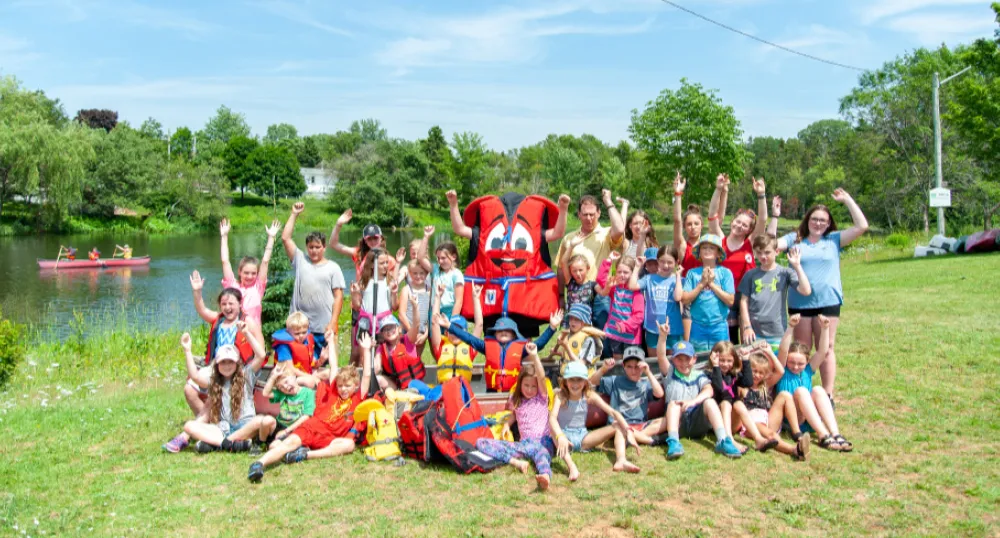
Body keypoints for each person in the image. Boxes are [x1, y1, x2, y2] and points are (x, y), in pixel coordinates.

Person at [769, 189, 869, 399]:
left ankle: (827, 394)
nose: (818, 223)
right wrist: (775, 216)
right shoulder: (795, 239)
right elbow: (770, 245)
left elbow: (862, 226)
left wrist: (848, 200)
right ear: (808, 220)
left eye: (823, 220)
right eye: (814, 219)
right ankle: (802, 388)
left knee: (827, 347)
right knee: (803, 349)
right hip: (800, 302)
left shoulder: (834, 239)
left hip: (828, 301)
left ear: (829, 223)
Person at [162, 271, 267, 453]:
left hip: (240, 367)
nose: (227, 307)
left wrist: (250, 365)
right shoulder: (218, 320)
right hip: (217, 366)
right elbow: (201, 309)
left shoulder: (247, 322)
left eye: (231, 304)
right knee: (190, 388)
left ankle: (195, 434)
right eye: (224, 304)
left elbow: (260, 351)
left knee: (213, 397)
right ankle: (212, 424)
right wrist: (197, 292)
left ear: (239, 304)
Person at [248, 331, 375, 482]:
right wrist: (330, 342)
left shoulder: (358, 397)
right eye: (341, 385)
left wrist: (366, 350)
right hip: (314, 426)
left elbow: (367, 375)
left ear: (355, 386)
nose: (343, 389)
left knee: (348, 445)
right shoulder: (334, 391)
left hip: (331, 437)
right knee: (288, 443)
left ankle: (304, 455)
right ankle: (258, 464)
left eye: (347, 386)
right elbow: (333, 365)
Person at [475, 343, 556, 490]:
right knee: (481, 443)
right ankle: (516, 462)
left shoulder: (541, 398)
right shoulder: (516, 401)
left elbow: (542, 377)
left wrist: (534, 355)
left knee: (541, 455)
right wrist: (507, 424)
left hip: (543, 441)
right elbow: (514, 414)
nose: (530, 390)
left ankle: (545, 475)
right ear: (520, 384)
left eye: (533, 386)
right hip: (525, 444)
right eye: (526, 385)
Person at [179, 329, 269, 454]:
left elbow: (261, 356)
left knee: (260, 420)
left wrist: (247, 333)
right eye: (223, 362)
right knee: (189, 426)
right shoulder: (214, 381)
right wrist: (187, 350)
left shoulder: (245, 376)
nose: (227, 365)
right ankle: (229, 444)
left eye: (230, 361)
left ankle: (216, 444)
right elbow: (194, 376)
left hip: (245, 426)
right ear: (217, 364)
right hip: (223, 428)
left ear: (237, 363)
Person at [655, 333, 744, 459]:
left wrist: (692, 402)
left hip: (697, 421)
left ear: (694, 359)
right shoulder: (670, 373)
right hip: (678, 422)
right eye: (679, 359)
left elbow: (709, 390)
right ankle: (674, 442)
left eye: (687, 358)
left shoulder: (699, 375)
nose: (684, 363)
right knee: (673, 404)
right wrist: (663, 336)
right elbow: (661, 356)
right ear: (673, 360)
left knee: (709, 401)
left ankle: (723, 440)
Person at [435, 309, 559, 394]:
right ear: (494, 333)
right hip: (492, 392)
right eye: (499, 330)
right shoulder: (487, 346)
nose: (503, 332)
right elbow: (469, 338)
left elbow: (539, 344)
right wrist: (450, 326)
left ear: (514, 335)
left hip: (513, 392)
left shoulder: (521, 349)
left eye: (507, 330)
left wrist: (552, 328)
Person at [553, 189, 627, 332]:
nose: (589, 218)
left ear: (599, 213)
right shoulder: (569, 239)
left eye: (592, 214)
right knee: (577, 338)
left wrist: (608, 201)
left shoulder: (606, 233)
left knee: (602, 335)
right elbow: (561, 269)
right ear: (579, 215)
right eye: (585, 214)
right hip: (577, 296)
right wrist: (561, 296)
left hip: (601, 294)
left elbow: (619, 228)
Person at [776, 314, 852, 451]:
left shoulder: (808, 370)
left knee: (818, 390)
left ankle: (835, 433)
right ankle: (823, 435)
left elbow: (822, 352)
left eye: (800, 363)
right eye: (792, 362)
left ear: (807, 361)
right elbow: (783, 350)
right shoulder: (782, 369)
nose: (795, 366)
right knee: (802, 391)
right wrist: (791, 327)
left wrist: (825, 328)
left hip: (809, 418)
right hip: (792, 419)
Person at [281, 201, 346, 360]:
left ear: (324, 247)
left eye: (317, 247)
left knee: (324, 363)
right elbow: (285, 238)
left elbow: (338, 297)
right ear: (306, 247)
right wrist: (294, 214)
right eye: (311, 247)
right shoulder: (300, 260)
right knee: (300, 363)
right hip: (299, 327)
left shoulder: (333, 267)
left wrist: (333, 322)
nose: (314, 250)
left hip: (322, 327)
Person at [547, 361, 633, 481]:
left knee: (617, 425)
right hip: (564, 438)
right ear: (565, 381)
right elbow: (552, 418)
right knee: (552, 430)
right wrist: (560, 436)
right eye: (572, 380)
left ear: (585, 382)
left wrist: (628, 430)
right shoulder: (561, 396)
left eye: (579, 380)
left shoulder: (588, 394)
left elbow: (613, 412)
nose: (575, 384)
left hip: (583, 437)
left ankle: (621, 460)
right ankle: (572, 467)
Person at [708, 174, 768, 343]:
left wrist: (761, 195)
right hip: (724, 294)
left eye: (745, 225)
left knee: (748, 337)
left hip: (746, 295)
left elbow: (762, 220)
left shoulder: (750, 243)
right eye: (737, 221)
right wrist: (718, 189)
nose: (739, 226)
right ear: (732, 220)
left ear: (750, 229)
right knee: (729, 338)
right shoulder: (720, 240)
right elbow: (712, 216)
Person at [587, 347, 663, 472]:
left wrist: (648, 373)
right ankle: (622, 459)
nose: (633, 370)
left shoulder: (645, 384)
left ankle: (635, 435)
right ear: (623, 366)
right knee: (620, 427)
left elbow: (659, 394)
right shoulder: (615, 381)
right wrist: (604, 368)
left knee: (663, 421)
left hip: (640, 425)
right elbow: (592, 381)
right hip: (620, 425)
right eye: (629, 366)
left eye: (637, 367)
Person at [732, 343, 810, 461]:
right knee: (771, 436)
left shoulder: (764, 386)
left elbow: (780, 372)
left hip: (767, 420)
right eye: (754, 371)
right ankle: (795, 450)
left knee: (785, 395)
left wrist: (769, 352)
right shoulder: (742, 387)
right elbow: (736, 371)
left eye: (761, 373)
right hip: (751, 423)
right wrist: (743, 358)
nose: (757, 375)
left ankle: (797, 434)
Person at [739, 235, 811, 352]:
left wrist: (797, 266)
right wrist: (747, 326)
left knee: (777, 366)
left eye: (767, 252)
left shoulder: (785, 272)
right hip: (754, 331)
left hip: (777, 331)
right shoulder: (750, 275)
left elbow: (806, 290)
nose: (763, 256)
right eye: (759, 253)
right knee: (756, 367)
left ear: (777, 252)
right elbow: (743, 300)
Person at [219, 218, 280, 325]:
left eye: (253, 273)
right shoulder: (232, 286)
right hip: (235, 333)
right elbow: (225, 261)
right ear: (239, 272)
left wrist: (271, 237)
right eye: (246, 273)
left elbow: (265, 262)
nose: (250, 276)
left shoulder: (258, 286)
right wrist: (224, 236)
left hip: (254, 333)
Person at [681, 235, 735, 352]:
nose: (707, 250)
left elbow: (730, 300)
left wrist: (711, 284)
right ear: (699, 252)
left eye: (711, 248)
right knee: (698, 359)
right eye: (704, 248)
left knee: (722, 357)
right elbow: (685, 299)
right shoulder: (692, 273)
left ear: (718, 253)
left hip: (719, 326)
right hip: (697, 325)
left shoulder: (725, 273)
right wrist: (701, 284)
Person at [629, 246, 684, 356]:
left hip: (673, 329)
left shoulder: (679, 280)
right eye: (662, 262)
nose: (666, 265)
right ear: (658, 261)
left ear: (676, 262)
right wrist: (637, 267)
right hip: (653, 328)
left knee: (672, 362)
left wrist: (678, 276)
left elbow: (678, 297)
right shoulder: (649, 278)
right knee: (654, 361)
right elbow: (632, 285)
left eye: (670, 262)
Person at [707, 341, 756, 454]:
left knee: (738, 403)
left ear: (734, 360)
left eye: (729, 361)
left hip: (732, 419)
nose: (725, 364)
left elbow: (748, 383)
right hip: (717, 422)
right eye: (721, 360)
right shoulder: (710, 373)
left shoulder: (733, 374)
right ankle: (729, 439)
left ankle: (758, 438)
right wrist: (715, 366)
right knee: (726, 403)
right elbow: (719, 388)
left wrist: (745, 360)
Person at [255, 365, 317, 453]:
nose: (286, 387)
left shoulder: (308, 393)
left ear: (295, 377)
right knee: (266, 420)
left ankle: (294, 448)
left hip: (295, 428)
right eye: (281, 387)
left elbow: (306, 416)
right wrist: (273, 377)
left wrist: (286, 431)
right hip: (280, 425)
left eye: (287, 382)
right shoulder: (283, 393)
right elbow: (265, 393)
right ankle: (261, 443)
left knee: (274, 447)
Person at [430, 281, 482, 385]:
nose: (455, 333)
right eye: (452, 330)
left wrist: (476, 299)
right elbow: (434, 322)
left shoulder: (470, 347)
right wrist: (437, 297)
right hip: (444, 388)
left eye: (459, 330)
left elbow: (479, 324)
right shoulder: (441, 345)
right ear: (446, 332)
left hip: (462, 389)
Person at [596, 253, 645, 360]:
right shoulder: (614, 287)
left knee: (632, 361)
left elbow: (639, 316)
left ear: (632, 273)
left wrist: (625, 326)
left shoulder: (636, 292)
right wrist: (609, 261)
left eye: (626, 272)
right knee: (617, 360)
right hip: (615, 333)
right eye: (619, 272)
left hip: (631, 337)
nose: (622, 275)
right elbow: (601, 279)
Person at [330, 208, 388, 277]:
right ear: (365, 241)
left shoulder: (388, 258)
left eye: (375, 238)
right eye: (369, 239)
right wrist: (338, 224)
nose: (373, 241)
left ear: (381, 238)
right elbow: (333, 244)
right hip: (361, 287)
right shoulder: (358, 254)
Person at [374, 312, 425, 390]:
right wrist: (367, 349)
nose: (389, 331)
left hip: (414, 385)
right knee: (378, 379)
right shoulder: (381, 349)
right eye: (385, 329)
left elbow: (416, 326)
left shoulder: (407, 340)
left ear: (399, 328)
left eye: (392, 327)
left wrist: (415, 307)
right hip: (396, 386)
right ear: (382, 334)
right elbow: (376, 368)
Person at [551, 303, 604, 375]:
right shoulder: (569, 335)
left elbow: (581, 364)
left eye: (576, 320)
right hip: (566, 376)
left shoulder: (589, 340)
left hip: (581, 380)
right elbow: (572, 354)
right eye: (571, 318)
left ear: (584, 323)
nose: (572, 322)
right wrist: (557, 353)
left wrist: (566, 346)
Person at [271, 311, 322, 383]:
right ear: (288, 331)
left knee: (326, 374)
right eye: (297, 333)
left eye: (304, 332)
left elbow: (311, 363)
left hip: (303, 374)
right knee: (309, 382)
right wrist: (311, 377)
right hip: (286, 378)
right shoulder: (283, 346)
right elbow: (290, 369)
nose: (301, 336)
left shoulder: (307, 340)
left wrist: (321, 360)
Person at [671, 173, 703, 276]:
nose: (693, 227)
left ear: (702, 225)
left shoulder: (708, 245)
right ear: (684, 226)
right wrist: (678, 193)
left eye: (696, 224)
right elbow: (677, 220)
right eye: (689, 224)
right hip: (686, 288)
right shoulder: (682, 245)